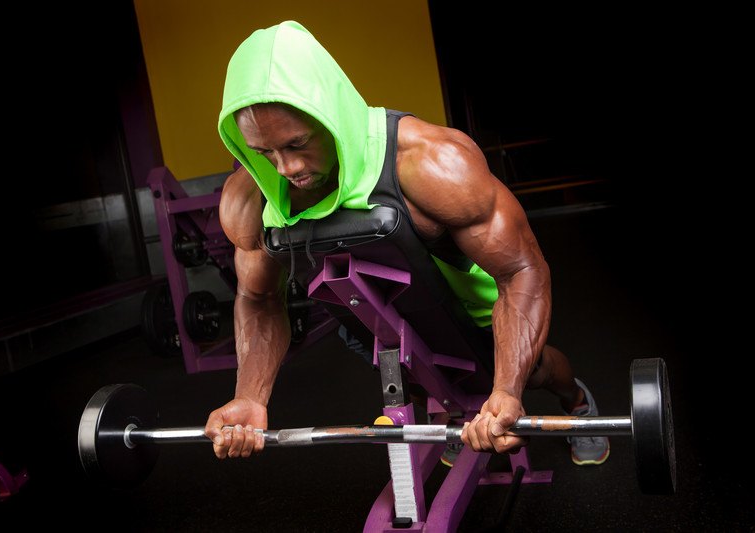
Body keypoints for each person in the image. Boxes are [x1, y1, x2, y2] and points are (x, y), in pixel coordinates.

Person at [204, 20, 609, 467]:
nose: (286, 167)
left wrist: (507, 389)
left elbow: (521, 270)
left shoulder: (431, 162)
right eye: (264, 152)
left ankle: (577, 403)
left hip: (471, 313)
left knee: (538, 371)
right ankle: (459, 416)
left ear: (330, 113)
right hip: (374, 318)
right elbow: (257, 299)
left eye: (298, 142)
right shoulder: (251, 200)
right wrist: (249, 396)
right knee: (420, 378)